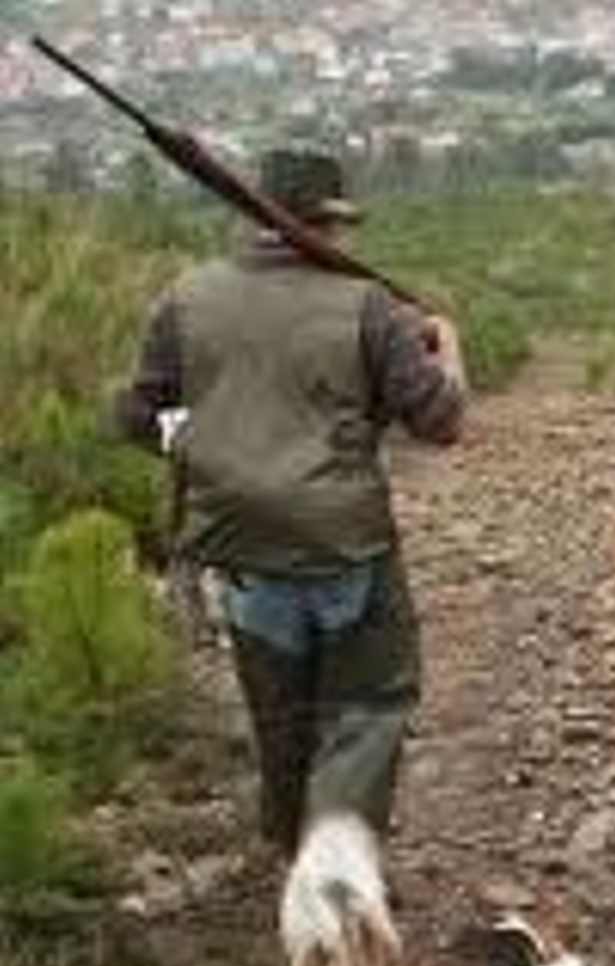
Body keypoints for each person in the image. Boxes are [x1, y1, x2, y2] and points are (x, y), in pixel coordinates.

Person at [113, 147, 468, 857]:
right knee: (366, 713)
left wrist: (201, 448)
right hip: (348, 550)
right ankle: (336, 868)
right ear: (331, 221)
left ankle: (289, 853)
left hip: (243, 553)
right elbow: (441, 420)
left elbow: (134, 415)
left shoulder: (186, 297)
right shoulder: (368, 307)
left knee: (281, 719)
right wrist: (447, 347)